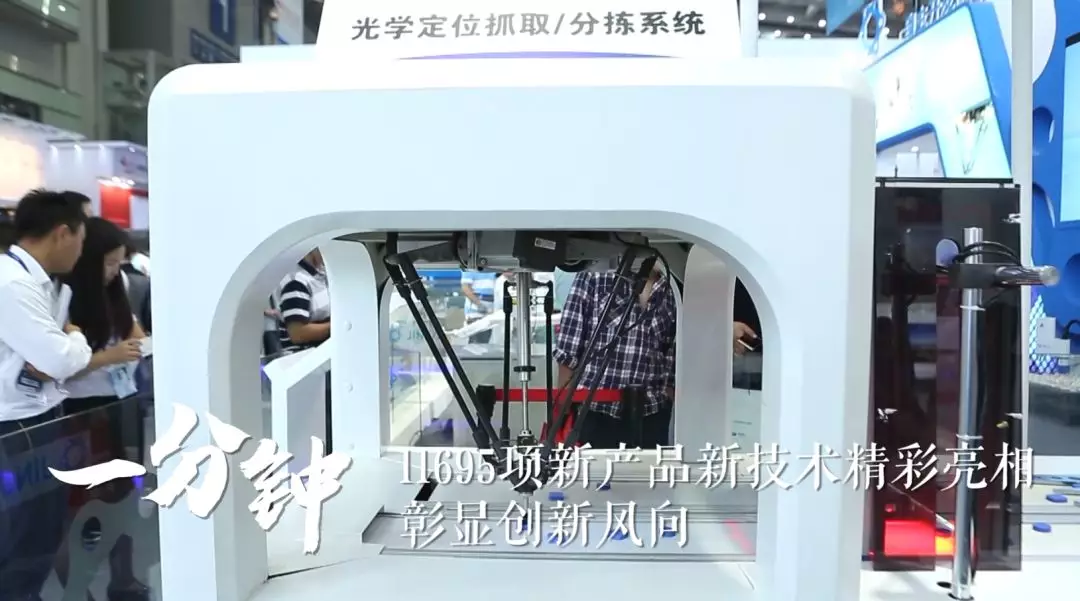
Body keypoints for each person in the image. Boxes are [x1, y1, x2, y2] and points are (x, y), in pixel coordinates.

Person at [0, 189, 93, 601]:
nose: (81, 250)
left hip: (37, 418)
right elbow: (57, 360)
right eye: (81, 239)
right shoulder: (12, 283)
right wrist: (76, 338)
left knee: (40, 532)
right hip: (17, 423)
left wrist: (67, 345)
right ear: (62, 233)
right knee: (24, 537)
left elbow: (54, 359)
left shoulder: (38, 283)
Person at [553, 264, 756, 449]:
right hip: (595, 414)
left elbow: (677, 352)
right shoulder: (595, 275)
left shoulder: (675, 284)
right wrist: (560, 419)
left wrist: (721, 330)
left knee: (650, 477)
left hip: (653, 417)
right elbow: (568, 353)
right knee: (594, 476)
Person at [276, 248, 330, 352]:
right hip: (307, 356)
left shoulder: (322, 274)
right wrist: (336, 326)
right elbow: (297, 334)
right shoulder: (296, 282)